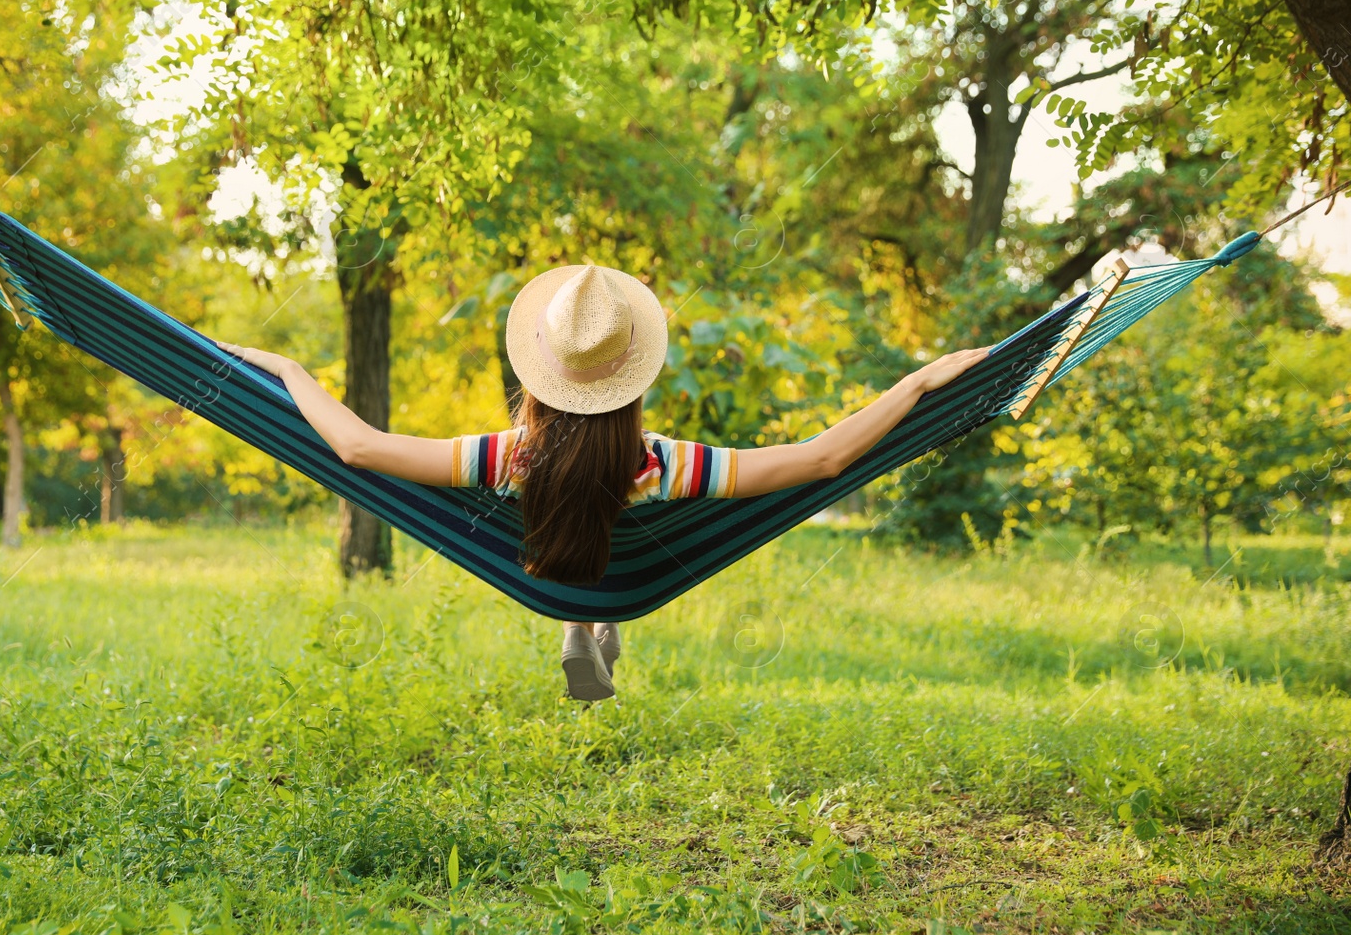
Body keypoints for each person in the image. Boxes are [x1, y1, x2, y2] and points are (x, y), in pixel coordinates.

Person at [218, 265, 988, 701]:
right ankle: (594, 626)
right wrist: (915, 384)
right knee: (626, 530)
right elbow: (820, 459)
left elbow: (356, 448)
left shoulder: (504, 456)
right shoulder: (664, 464)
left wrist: (290, 371)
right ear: (633, 376)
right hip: (626, 578)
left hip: (550, 570)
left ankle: (578, 625)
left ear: (543, 373)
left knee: (569, 522)